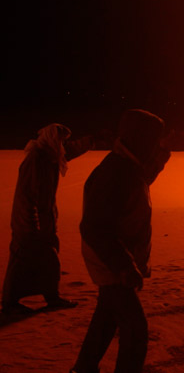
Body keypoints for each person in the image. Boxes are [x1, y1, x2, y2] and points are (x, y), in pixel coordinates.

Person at [71, 109, 170, 373]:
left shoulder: (128, 166)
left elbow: (145, 176)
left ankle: (83, 369)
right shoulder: (115, 172)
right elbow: (94, 228)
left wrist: (163, 154)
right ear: (139, 138)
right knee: (136, 329)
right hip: (111, 263)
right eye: (153, 140)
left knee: (105, 320)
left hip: (115, 260)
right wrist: (123, 265)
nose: (154, 145)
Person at [2, 124, 94, 314]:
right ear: (53, 140)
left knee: (48, 260)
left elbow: (70, 150)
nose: (63, 145)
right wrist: (31, 226)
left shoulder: (49, 156)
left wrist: (92, 140)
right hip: (28, 223)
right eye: (61, 141)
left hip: (43, 221)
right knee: (22, 261)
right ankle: (11, 302)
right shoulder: (36, 160)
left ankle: (51, 297)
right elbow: (28, 197)